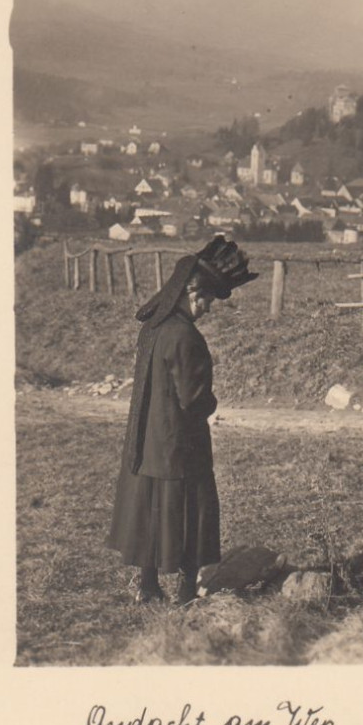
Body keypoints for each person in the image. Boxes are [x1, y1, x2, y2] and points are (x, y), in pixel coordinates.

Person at [107, 236, 258, 605]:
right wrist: (211, 402)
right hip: (181, 445)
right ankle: (187, 590)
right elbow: (195, 399)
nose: (206, 308)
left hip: (147, 442)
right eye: (206, 300)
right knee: (192, 511)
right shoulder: (187, 338)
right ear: (191, 291)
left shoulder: (153, 328)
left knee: (152, 512)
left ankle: (148, 586)